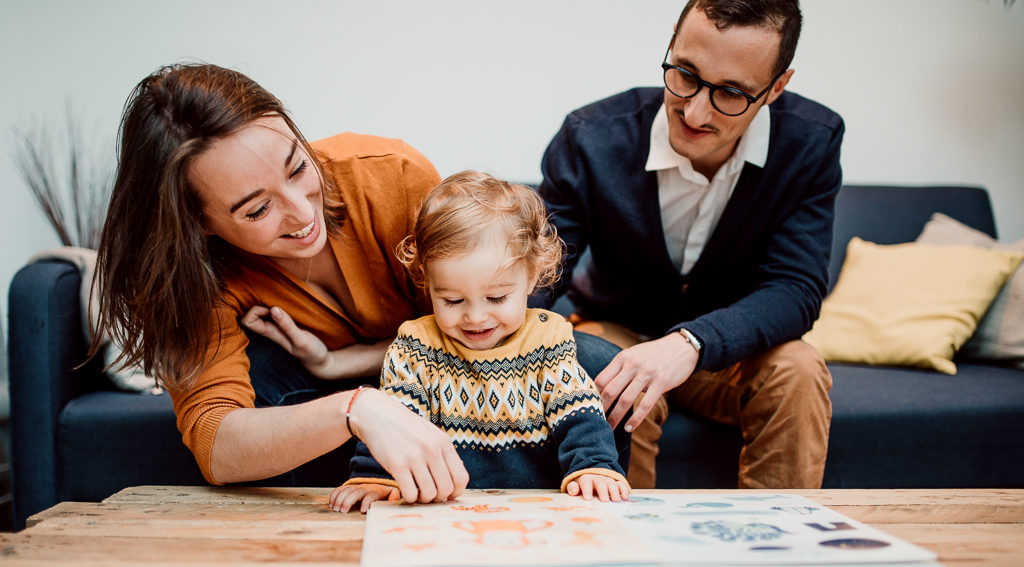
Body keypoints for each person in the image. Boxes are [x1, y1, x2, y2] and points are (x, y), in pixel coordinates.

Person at [92, 62, 474, 504]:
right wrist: (355, 407)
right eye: (257, 210)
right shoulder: (196, 277)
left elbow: (480, 330)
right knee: (265, 365)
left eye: (297, 168)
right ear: (198, 223)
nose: (302, 213)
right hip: (332, 418)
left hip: (449, 380)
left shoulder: (395, 175)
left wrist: (342, 363)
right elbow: (216, 444)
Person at [538, 0, 843, 489]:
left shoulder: (812, 142)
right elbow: (543, 268)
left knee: (800, 370)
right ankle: (622, 552)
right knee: (607, 373)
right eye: (684, 73)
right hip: (618, 329)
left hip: (730, 351)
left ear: (776, 88)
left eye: (731, 93)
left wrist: (690, 344)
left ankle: (775, 553)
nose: (695, 111)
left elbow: (795, 288)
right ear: (673, 42)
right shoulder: (590, 137)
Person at [328, 171, 631, 513]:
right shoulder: (415, 348)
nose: (475, 317)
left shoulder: (548, 341)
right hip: (443, 513)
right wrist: (374, 477)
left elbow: (580, 415)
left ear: (531, 276)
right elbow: (396, 422)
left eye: (497, 298)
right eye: (453, 301)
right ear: (427, 281)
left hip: (538, 512)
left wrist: (594, 467)